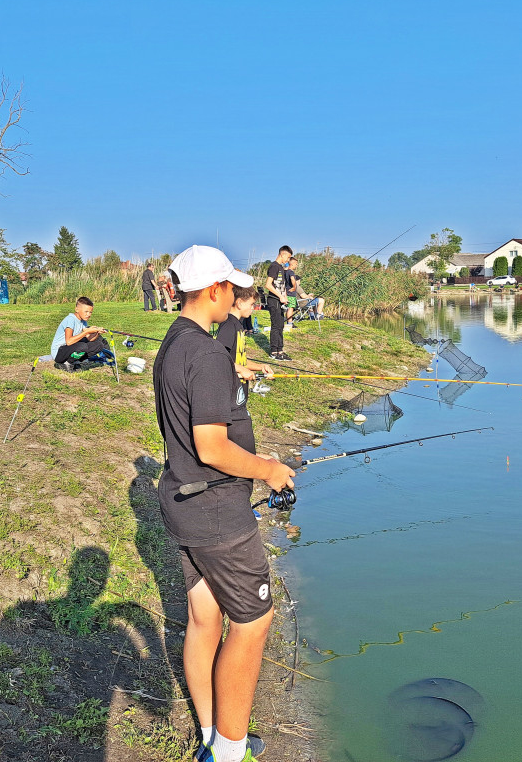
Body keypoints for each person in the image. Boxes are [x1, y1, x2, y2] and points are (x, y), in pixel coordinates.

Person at [154, 245, 294, 762]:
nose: (236, 294)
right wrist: (271, 469)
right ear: (213, 290)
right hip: (214, 511)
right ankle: (232, 753)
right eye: (231, 287)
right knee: (254, 622)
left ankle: (213, 738)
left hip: (181, 498)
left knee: (203, 619)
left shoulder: (175, 341)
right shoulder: (209, 354)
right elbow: (212, 446)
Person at [216, 285, 274, 391]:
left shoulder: (237, 325)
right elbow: (218, 359)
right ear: (239, 303)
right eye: (251, 304)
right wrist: (241, 370)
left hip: (239, 391)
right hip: (229, 391)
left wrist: (260, 367)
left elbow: (239, 361)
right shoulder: (228, 325)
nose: (253, 308)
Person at [49, 296, 111, 371]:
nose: (88, 314)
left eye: (90, 312)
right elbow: (69, 341)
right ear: (77, 309)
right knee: (82, 346)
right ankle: (66, 363)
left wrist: (97, 332)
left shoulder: (83, 321)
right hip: (59, 352)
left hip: (69, 348)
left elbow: (90, 339)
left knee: (98, 345)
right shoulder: (70, 319)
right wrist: (87, 332)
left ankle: (75, 361)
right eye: (86, 311)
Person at [264, 246, 292, 360]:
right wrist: (280, 296)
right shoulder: (274, 266)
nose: (288, 260)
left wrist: (285, 297)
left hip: (280, 301)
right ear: (283, 254)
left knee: (281, 325)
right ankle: (274, 352)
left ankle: (280, 350)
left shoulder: (281, 268)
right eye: (288, 257)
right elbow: (268, 284)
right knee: (276, 326)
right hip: (273, 300)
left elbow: (282, 286)